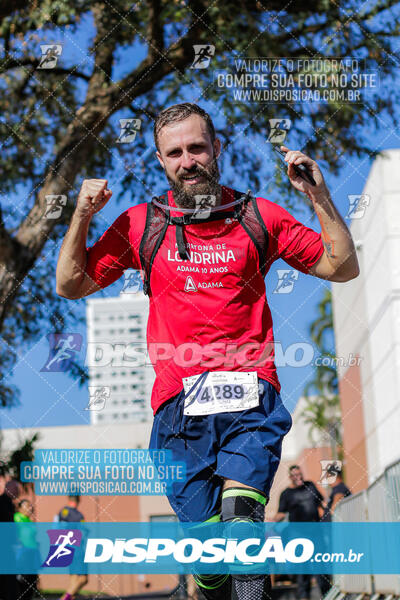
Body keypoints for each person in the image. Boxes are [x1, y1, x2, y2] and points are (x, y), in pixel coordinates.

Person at [56, 102, 360, 600]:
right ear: (161, 161)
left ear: (216, 149)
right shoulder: (141, 224)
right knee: (211, 564)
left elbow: (341, 266)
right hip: (178, 411)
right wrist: (82, 216)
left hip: (249, 398)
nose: (188, 160)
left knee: (242, 528)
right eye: (174, 153)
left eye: (197, 147)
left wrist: (319, 196)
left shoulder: (258, 216)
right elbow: (70, 283)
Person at [274, 465, 327, 600]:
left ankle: (327, 594)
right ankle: (304, 596)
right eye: (295, 475)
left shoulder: (310, 486)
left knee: (320, 564)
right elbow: (281, 513)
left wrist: (331, 510)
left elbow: (322, 503)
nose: (298, 477)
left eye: (300, 474)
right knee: (302, 567)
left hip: (315, 531)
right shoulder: (286, 493)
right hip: (297, 534)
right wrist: (271, 522)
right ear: (290, 477)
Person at [56, 496, 88, 600]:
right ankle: (64, 598)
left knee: (74, 579)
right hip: (76, 548)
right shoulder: (74, 514)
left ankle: (68, 597)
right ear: (79, 499)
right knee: (83, 579)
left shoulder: (64, 512)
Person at [0, 479, 22, 600]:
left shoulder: (9, 504)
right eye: (17, 489)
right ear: (9, 489)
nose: (19, 492)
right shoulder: (2, 503)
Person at [14, 499, 39, 600]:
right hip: (22, 554)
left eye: (30, 506)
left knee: (32, 582)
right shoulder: (17, 518)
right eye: (27, 506)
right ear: (20, 508)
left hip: (32, 553)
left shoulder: (29, 520)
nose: (30, 508)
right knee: (23, 581)